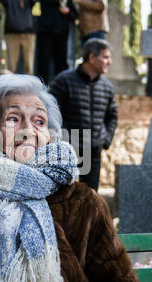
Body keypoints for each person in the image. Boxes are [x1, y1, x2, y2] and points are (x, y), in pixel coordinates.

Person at [0, 74, 149, 282]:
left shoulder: (82, 202)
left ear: (50, 137)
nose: (28, 130)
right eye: (13, 118)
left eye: (39, 121)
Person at [49, 38, 117, 191]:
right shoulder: (64, 81)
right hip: (68, 152)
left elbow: (112, 116)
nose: (109, 62)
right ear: (92, 58)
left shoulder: (107, 87)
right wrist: (64, 140)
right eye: (105, 57)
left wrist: (105, 140)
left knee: (91, 200)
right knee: (64, 199)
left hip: (93, 152)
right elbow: (50, 111)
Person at [36, 0, 78, 84]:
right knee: (44, 63)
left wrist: (68, 12)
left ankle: (61, 87)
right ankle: (42, 88)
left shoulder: (67, 1)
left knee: (61, 64)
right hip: (46, 32)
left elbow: (75, 14)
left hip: (62, 34)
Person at [0, 0, 37, 75]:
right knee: (11, 66)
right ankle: (11, 86)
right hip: (12, 33)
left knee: (29, 66)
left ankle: (29, 86)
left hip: (28, 33)